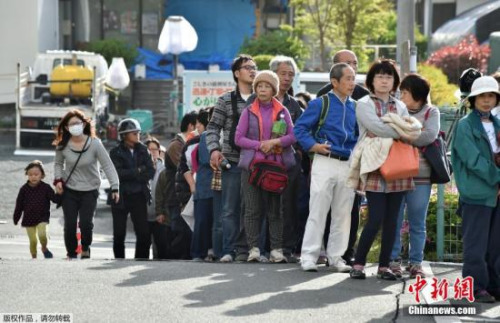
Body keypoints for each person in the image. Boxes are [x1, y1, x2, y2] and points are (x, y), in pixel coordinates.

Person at [349, 59, 411, 280]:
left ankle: (384, 266)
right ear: (371, 81)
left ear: (394, 81)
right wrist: (397, 128)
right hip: (375, 164)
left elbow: (409, 130)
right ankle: (358, 264)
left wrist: (393, 128)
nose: (384, 80)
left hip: (397, 164)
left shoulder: (400, 105)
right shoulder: (364, 103)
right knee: (375, 218)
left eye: (389, 77)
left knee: (393, 220)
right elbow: (376, 127)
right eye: (380, 76)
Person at [294, 63, 358, 272]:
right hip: (324, 160)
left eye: (353, 78)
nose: (352, 82)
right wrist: (313, 146)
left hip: (347, 163)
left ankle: (336, 257)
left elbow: (360, 135)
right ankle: (309, 257)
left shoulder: (356, 106)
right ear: (334, 82)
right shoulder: (320, 103)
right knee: (318, 210)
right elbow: (300, 129)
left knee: (343, 213)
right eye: (348, 78)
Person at [235, 70, 296, 262]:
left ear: (274, 90)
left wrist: (275, 143)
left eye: (266, 86)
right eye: (259, 86)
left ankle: (276, 250)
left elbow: (293, 137)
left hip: (275, 167)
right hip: (253, 166)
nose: (262, 90)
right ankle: (253, 249)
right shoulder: (248, 111)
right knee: (252, 209)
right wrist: (260, 144)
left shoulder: (283, 111)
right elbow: (238, 138)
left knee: (275, 210)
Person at [316, 50, 369, 266]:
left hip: (354, 159)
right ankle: (328, 251)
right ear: (335, 70)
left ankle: (348, 251)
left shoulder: (363, 94)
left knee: (352, 208)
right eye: (347, 64)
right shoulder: (324, 94)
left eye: (355, 63)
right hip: (328, 159)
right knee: (328, 207)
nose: (353, 68)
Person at [451, 76, 500, 303]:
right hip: (477, 193)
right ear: (473, 99)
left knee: (495, 246)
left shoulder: (498, 124)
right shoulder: (465, 126)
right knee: (476, 246)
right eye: (482, 96)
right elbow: (473, 160)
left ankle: (493, 286)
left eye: (491, 96)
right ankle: (475, 287)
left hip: (496, 193)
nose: (487, 101)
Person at [206, 54, 257, 262]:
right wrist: (214, 150)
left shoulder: (261, 99)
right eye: (247, 67)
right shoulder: (225, 100)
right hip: (233, 161)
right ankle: (229, 250)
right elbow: (212, 128)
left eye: (254, 67)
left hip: (257, 162)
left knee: (253, 209)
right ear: (237, 73)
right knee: (229, 210)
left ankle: (249, 250)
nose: (252, 70)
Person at [389, 74, 440, 278]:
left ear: (417, 94)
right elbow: (387, 132)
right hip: (396, 172)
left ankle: (416, 262)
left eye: (405, 92)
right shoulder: (395, 109)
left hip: (421, 175)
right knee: (394, 219)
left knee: (417, 221)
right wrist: (411, 135)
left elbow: (430, 136)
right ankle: (393, 260)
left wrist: (402, 134)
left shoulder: (431, 112)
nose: (401, 95)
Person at [54, 109, 119, 259]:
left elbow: (107, 165)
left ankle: (85, 247)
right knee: (69, 225)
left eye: (78, 123)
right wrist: (58, 180)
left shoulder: (95, 143)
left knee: (86, 224)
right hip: (69, 189)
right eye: (71, 124)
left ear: (83, 124)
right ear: (65, 127)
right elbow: (58, 163)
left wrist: (115, 186)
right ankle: (71, 252)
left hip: (90, 190)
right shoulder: (62, 145)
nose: (75, 126)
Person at [270, 55, 303, 262]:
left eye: (291, 74)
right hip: (263, 161)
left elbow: (300, 132)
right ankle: (264, 247)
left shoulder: (294, 104)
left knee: (288, 206)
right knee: (265, 206)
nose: (287, 78)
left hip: (288, 163)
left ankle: (287, 248)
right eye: (283, 73)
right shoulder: (260, 101)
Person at [110, 118, 154, 259]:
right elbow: (117, 174)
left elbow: (150, 171)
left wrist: (134, 173)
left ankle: (141, 258)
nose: (137, 135)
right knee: (119, 233)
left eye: (138, 132)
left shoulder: (143, 149)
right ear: (124, 135)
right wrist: (138, 170)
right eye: (133, 133)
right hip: (120, 196)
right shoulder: (115, 152)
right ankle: (119, 260)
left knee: (143, 233)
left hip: (139, 195)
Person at [163, 112, 198, 259]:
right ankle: (176, 263)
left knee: (188, 232)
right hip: (176, 197)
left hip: (186, 196)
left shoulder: (190, 144)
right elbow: (185, 168)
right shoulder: (176, 146)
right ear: (191, 126)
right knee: (179, 232)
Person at [13, 161, 60, 259]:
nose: (33, 177)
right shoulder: (24, 189)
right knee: (33, 241)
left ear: (42, 175)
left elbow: (55, 199)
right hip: (28, 219)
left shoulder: (46, 187)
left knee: (42, 235)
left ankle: (44, 248)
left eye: (36, 174)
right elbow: (19, 205)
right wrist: (16, 218)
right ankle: (34, 258)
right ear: (27, 175)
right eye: (30, 174)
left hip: (42, 217)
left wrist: (60, 193)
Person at [187, 108, 216, 261]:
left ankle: (213, 251)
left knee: (216, 222)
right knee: (202, 222)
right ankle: (198, 253)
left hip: (218, 187)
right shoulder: (205, 137)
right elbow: (207, 160)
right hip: (205, 187)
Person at [144, 136, 169, 259]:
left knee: (161, 247)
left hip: (160, 216)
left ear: (159, 151)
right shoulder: (140, 168)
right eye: (149, 149)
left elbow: (166, 194)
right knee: (143, 247)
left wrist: (162, 212)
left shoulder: (164, 169)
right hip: (144, 215)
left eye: (155, 149)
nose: (152, 152)